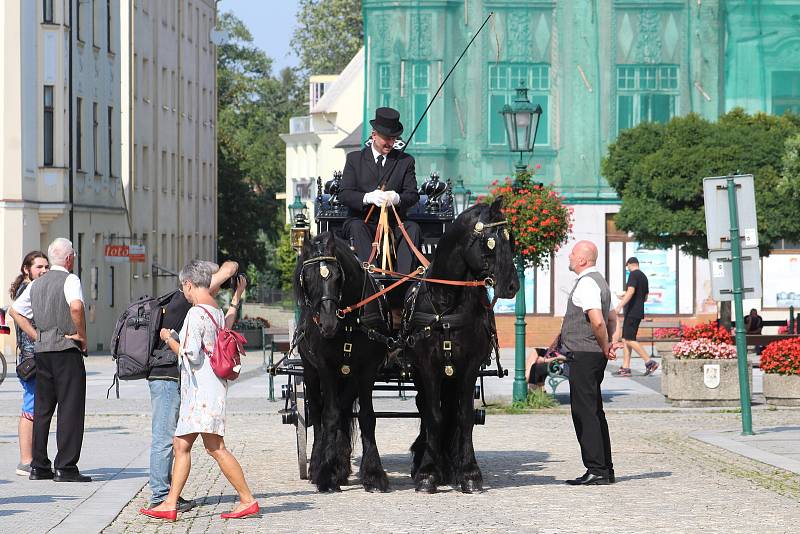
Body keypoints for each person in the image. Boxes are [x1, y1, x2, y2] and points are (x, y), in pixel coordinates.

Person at [140, 260, 258, 521]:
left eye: (184, 288)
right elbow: (225, 326)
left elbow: (190, 355)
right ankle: (170, 503)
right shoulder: (214, 310)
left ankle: (247, 499)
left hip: (201, 393)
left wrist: (169, 338)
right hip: (209, 389)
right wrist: (237, 297)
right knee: (181, 444)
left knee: (216, 448)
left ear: (188, 284)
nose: (184, 292)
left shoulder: (195, 313)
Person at [9, 238, 91, 482]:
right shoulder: (70, 279)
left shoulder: (37, 283)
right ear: (68, 258)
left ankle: (39, 465)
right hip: (66, 348)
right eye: (73, 256)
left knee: (43, 409)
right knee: (70, 407)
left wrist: (37, 335)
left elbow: (15, 311)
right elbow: (76, 307)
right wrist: (82, 336)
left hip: (42, 351)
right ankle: (65, 466)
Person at [560, 240, 620, 486]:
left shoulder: (586, 283)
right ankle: (605, 468)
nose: (570, 257)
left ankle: (596, 469)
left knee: (584, 412)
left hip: (584, 354)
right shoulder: (601, 282)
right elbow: (613, 317)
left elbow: (598, 321)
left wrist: (606, 344)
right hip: (592, 354)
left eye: (573, 253)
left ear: (583, 260)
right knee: (595, 410)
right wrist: (611, 342)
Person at [338, 107, 421, 274]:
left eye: (394, 139)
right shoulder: (355, 159)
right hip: (363, 222)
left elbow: (412, 195)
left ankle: (403, 280)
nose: (390, 143)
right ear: (374, 135)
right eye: (386, 139)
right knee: (357, 226)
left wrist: (396, 198)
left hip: (393, 224)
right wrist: (367, 197)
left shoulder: (405, 161)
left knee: (413, 228)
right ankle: (373, 277)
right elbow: (344, 194)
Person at [8, 251, 50, 477]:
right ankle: (26, 460)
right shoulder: (29, 289)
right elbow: (17, 315)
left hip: (32, 356)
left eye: (46, 267)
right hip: (31, 358)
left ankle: (30, 458)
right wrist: (37, 337)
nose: (44, 271)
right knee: (31, 406)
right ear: (27, 269)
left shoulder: (30, 287)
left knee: (34, 405)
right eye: (39, 267)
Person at [614, 257, 658, 377]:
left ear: (629, 264)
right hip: (638, 311)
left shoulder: (633, 274)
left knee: (629, 339)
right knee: (625, 339)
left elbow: (631, 291)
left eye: (627, 266)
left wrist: (620, 305)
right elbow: (644, 298)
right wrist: (626, 296)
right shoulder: (644, 277)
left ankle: (649, 362)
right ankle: (626, 368)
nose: (627, 268)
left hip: (632, 311)